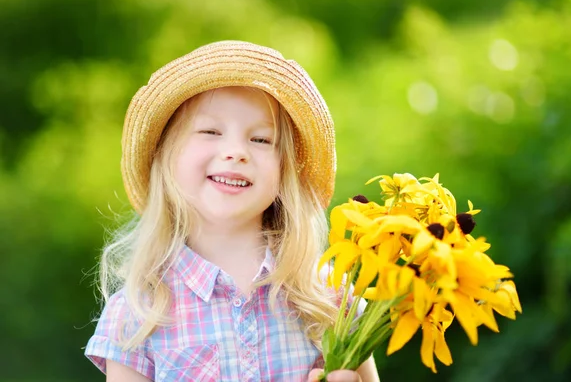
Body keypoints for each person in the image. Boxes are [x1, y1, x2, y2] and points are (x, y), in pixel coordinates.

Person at [84, 41, 379, 382]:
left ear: (286, 171)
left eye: (261, 140)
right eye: (210, 131)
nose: (236, 151)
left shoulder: (327, 295)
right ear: (167, 157)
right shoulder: (139, 313)